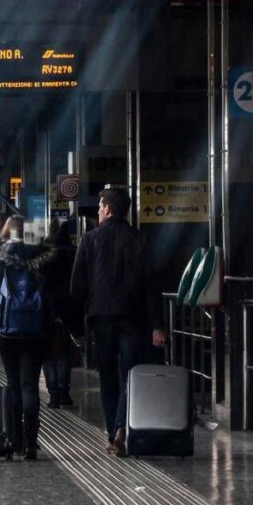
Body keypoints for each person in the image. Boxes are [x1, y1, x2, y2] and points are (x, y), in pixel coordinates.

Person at [70, 187, 166, 456]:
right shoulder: (139, 239)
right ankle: (122, 427)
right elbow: (151, 285)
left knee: (108, 376)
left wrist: (75, 328)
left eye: (100, 206)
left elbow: (77, 288)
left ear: (108, 209)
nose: (99, 211)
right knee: (129, 373)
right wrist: (157, 325)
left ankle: (112, 432)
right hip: (133, 318)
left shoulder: (89, 240)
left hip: (100, 319)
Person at [0, 215, 56, 460]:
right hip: (36, 330)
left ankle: (15, 441)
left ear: (7, 231)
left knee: (13, 385)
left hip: (6, 330)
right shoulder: (43, 257)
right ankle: (31, 443)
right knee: (29, 385)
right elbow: (53, 297)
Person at [42, 218, 79, 408]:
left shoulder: (43, 253)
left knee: (48, 354)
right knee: (64, 352)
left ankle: (53, 394)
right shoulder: (73, 253)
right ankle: (64, 392)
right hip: (68, 308)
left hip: (45, 310)